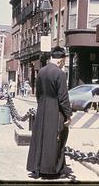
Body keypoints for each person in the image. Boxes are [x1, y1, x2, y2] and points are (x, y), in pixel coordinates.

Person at [27, 46, 72, 179]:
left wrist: (42, 105)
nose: (63, 63)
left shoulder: (41, 72)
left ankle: (37, 166)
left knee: (40, 138)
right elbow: (63, 98)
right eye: (63, 60)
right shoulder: (60, 74)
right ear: (61, 60)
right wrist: (68, 115)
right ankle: (53, 169)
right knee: (56, 139)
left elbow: (38, 93)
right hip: (55, 110)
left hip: (42, 108)